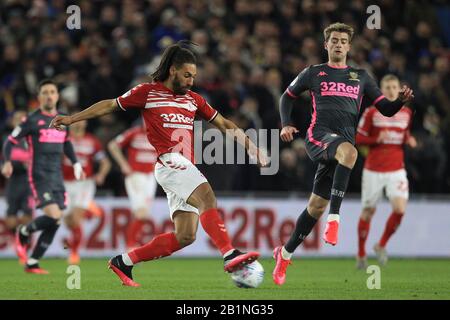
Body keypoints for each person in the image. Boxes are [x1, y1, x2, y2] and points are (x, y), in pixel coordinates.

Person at [50, 41, 268, 287]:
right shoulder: (147, 92)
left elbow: (225, 123)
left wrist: (251, 145)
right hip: (169, 161)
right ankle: (230, 254)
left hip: (184, 167)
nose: (191, 81)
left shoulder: (194, 100)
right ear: (172, 70)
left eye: (194, 76)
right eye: (187, 75)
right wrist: (71, 118)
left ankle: (124, 261)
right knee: (207, 197)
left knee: (185, 236)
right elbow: (110, 105)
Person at [273, 22, 414, 285]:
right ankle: (335, 220)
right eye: (333, 40)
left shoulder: (361, 77)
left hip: (340, 147)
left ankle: (284, 253)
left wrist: (400, 102)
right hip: (319, 136)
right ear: (326, 45)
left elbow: (386, 109)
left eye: (342, 41)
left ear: (349, 46)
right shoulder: (313, 73)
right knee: (350, 154)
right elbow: (286, 97)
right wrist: (286, 124)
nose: (338, 44)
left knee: (315, 206)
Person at [2, 79, 85, 274]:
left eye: (52, 92)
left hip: (57, 177)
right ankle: (23, 231)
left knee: (55, 220)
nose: (49, 95)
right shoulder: (31, 120)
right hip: (39, 175)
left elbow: (67, 144)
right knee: (54, 215)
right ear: (39, 97)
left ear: (57, 96)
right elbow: (10, 141)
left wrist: (76, 163)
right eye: (45, 92)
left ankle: (32, 262)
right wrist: (7, 161)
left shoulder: (63, 120)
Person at [356, 74, 416, 269]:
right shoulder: (372, 113)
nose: (391, 90)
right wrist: (376, 140)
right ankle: (361, 253)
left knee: (400, 209)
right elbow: (358, 138)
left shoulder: (407, 113)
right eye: (387, 87)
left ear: (399, 89)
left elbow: (403, 134)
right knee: (368, 211)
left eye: (394, 87)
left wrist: (409, 139)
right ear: (381, 90)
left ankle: (381, 245)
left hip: (396, 169)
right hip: (373, 169)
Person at [63, 120, 111, 265]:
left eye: (81, 121)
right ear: (70, 123)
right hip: (64, 184)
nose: (78, 124)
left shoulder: (92, 141)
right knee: (68, 221)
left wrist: (101, 174)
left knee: (76, 219)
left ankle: (74, 253)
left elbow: (105, 162)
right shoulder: (63, 141)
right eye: (75, 120)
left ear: (85, 123)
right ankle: (90, 208)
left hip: (84, 183)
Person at [108, 121, 158, 250]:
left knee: (143, 214)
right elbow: (113, 145)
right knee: (141, 213)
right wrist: (123, 164)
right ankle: (130, 246)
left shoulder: (158, 134)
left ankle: (131, 244)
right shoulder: (134, 133)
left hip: (150, 177)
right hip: (135, 176)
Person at [1, 111, 34, 247]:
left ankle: (24, 245)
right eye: (17, 119)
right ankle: (20, 239)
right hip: (13, 183)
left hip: (29, 184)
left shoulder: (33, 139)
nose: (20, 121)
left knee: (27, 218)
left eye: (23, 118)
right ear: (13, 122)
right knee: (10, 221)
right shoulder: (6, 140)